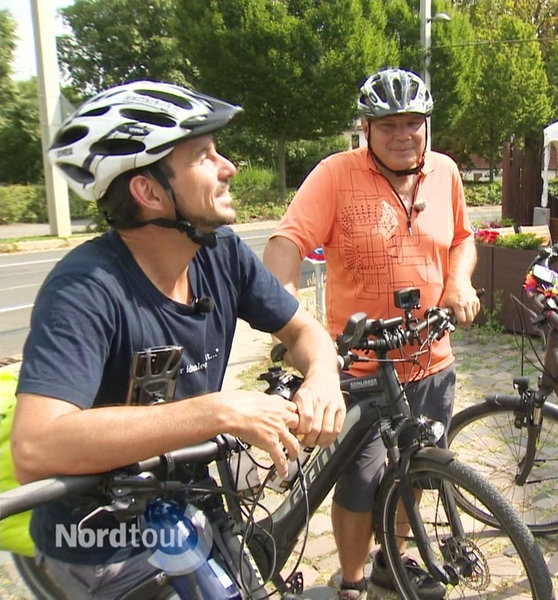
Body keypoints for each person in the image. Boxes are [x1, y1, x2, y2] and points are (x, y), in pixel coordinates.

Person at [10, 81, 346, 598]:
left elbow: (302, 329)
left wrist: (323, 377)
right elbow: (36, 446)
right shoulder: (84, 290)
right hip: (102, 545)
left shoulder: (220, 253)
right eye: (204, 156)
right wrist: (217, 411)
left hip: (188, 508)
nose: (228, 166)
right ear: (148, 192)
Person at [262, 68, 480, 600]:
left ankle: (393, 559)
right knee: (358, 486)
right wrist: (289, 316)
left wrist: (458, 282)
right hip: (360, 367)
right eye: (389, 125)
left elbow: (463, 239)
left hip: (432, 358)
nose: (404, 134)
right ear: (366, 127)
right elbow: (286, 241)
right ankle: (353, 582)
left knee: (418, 472)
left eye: (414, 123)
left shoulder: (445, 172)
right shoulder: (336, 174)